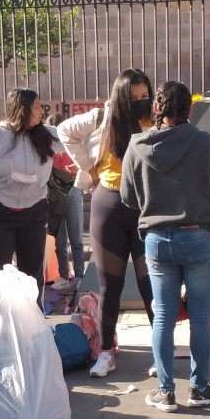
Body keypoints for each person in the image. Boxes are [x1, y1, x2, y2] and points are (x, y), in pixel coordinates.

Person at [120, 80, 210, 412]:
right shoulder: (206, 143)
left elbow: (127, 197)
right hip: (199, 237)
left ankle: (165, 392)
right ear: (189, 110)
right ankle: (199, 389)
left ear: (156, 109)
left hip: (156, 240)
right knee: (200, 317)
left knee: (164, 316)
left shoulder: (136, 145)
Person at [58, 68, 156, 378]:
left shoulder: (154, 119)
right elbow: (64, 132)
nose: (141, 103)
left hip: (144, 209)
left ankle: (161, 352)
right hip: (108, 204)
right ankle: (105, 353)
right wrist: (89, 166)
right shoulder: (102, 117)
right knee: (109, 286)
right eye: (134, 97)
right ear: (121, 96)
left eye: (145, 96)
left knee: (150, 285)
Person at [0, 88, 65, 308]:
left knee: (32, 276)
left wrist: (105, 116)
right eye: (35, 106)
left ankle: (34, 327)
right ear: (22, 110)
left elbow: (75, 135)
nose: (41, 111)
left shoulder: (48, 135)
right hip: (0, 215)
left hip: (35, 213)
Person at [46, 112, 84, 290]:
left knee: (74, 238)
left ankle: (78, 275)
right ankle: (66, 275)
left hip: (71, 188)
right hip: (57, 191)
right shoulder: (47, 145)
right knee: (61, 239)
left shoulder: (72, 143)